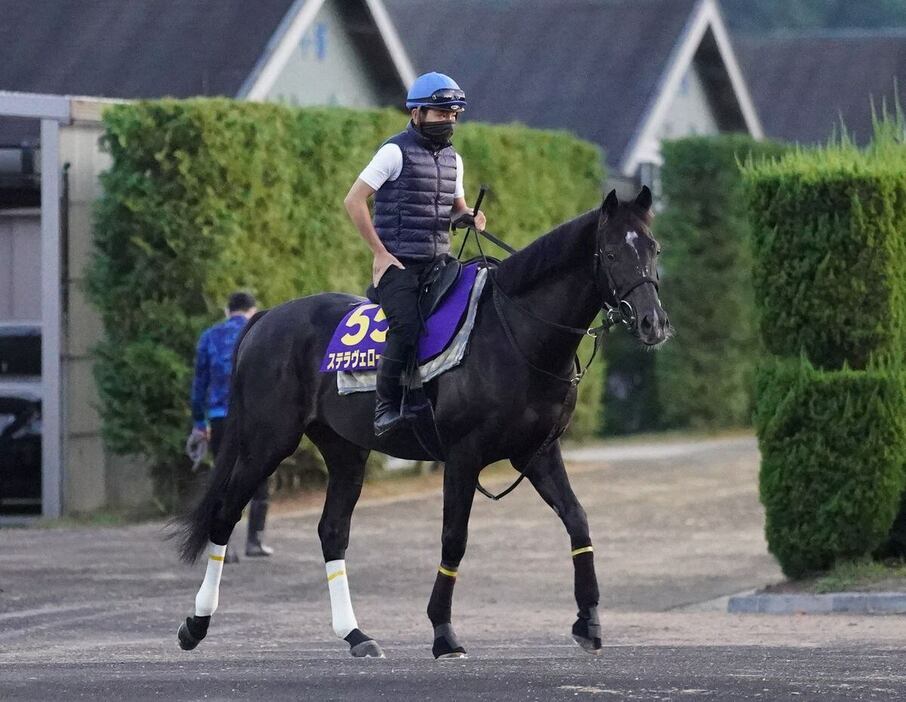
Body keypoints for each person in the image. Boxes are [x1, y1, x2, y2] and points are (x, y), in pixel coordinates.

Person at [344, 71, 487, 436]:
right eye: (441, 114)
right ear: (417, 113)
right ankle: (385, 405)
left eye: (454, 114)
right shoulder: (393, 151)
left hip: (439, 262)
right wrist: (379, 253)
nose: (449, 121)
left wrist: (469, 217)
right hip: (398, 265)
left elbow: (456, 209)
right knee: (407, 328)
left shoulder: (454, 160)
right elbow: (354, 200)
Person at [189, 291, 273, 561]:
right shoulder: (261, 333)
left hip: (219, 416)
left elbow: (199, 385)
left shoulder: (209, 337)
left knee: (223, 477)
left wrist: (199, 424)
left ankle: (220, 547)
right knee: (259, 475)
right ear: (252, 310)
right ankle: (254, 542)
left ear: (227, 311)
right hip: (254, 416)